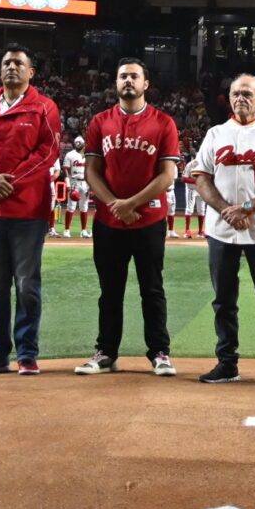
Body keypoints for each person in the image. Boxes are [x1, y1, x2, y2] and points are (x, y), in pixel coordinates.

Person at [189, 73, 255, 387]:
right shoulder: (215, 134)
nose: (241, 98)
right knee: (223, 300)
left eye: (248, 94)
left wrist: (247, 208)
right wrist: (227, 210)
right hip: (222, 230)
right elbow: (201, 179)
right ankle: (227, 363)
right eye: (236, 93)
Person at [0, 45, 63, 376]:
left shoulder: (44, 108)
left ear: (31, 72)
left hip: (28, 210)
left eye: (19, 63)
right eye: (6, 62)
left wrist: (9, 180)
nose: (12, 68)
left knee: (27, 284)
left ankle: (27, 352)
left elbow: (47, 153)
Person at [80, 59, 181, 376]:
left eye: (134, 76)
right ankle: (106, 352)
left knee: (152, 288)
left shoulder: (163, 122)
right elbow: (92, 171)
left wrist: (131, 203)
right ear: (115, 82)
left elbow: (167, 175)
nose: (128, 81)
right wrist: (114, 204)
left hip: (149, 218)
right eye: (123, 75)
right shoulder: (100, 121)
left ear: (145, 84)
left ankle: (159, 352)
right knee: (110, 290)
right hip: (109, 222)